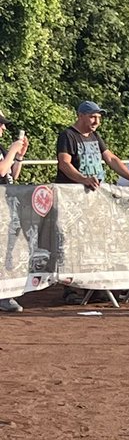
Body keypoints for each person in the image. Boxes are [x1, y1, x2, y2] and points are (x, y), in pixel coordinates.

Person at [56, 101, 129, 191]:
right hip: (72, 193)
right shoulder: (68, 135)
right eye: (92, 117)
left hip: (94, 191)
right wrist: (84, 179)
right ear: (80, 116)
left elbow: (111, 159)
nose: (97, 122)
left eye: (99, 118)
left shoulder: (94, 135)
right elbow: (64, 164)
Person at [0, 114, 30, 313]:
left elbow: (12, 174)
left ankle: (4, 294)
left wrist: (19, 155)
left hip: (6, 203)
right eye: (0, 125)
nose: (3, 128)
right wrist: (12, 150)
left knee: (6, 250)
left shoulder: (1, 149)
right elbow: (1, 170)